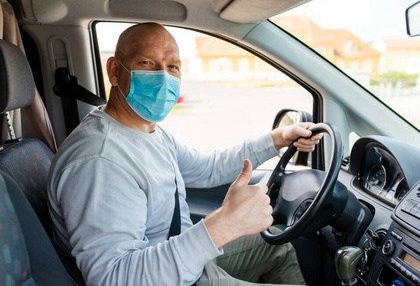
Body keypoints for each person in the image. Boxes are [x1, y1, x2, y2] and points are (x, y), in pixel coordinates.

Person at [47, 22, 323, 286]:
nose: (163, 76)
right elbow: (113, 278)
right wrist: (223, 224)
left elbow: (207, 168)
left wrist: (278, 139)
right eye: (147, 63)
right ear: (115, 71)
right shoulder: (100, 160)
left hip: (180, 256)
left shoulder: (147, 131)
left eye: (173, 67)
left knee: (275, 244)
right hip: (166, 277)